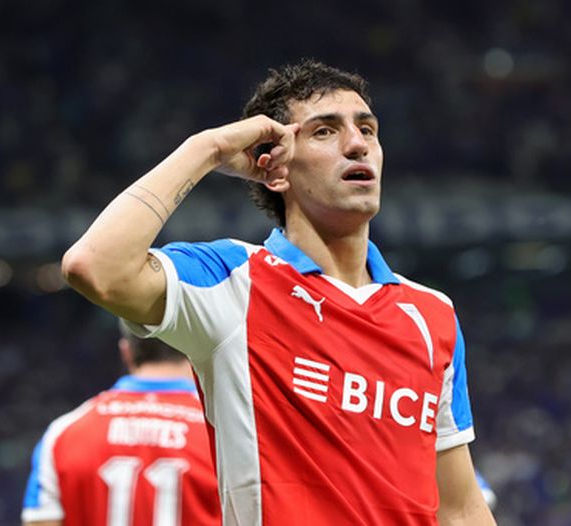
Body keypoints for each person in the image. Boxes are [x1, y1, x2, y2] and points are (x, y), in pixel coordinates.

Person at [62, 59, 495, 525]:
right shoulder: (233, 282)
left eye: (367, 129)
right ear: (275, 170)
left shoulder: (432, 315)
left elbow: (460, 507)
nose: (357, 145)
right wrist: (206, 148)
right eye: (325, 132)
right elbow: (95, 267)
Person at [21, 322, 221, 525]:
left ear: (126, 351)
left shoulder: (64, 433)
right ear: (196, 347)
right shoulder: (223, 434)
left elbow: (41, 521)